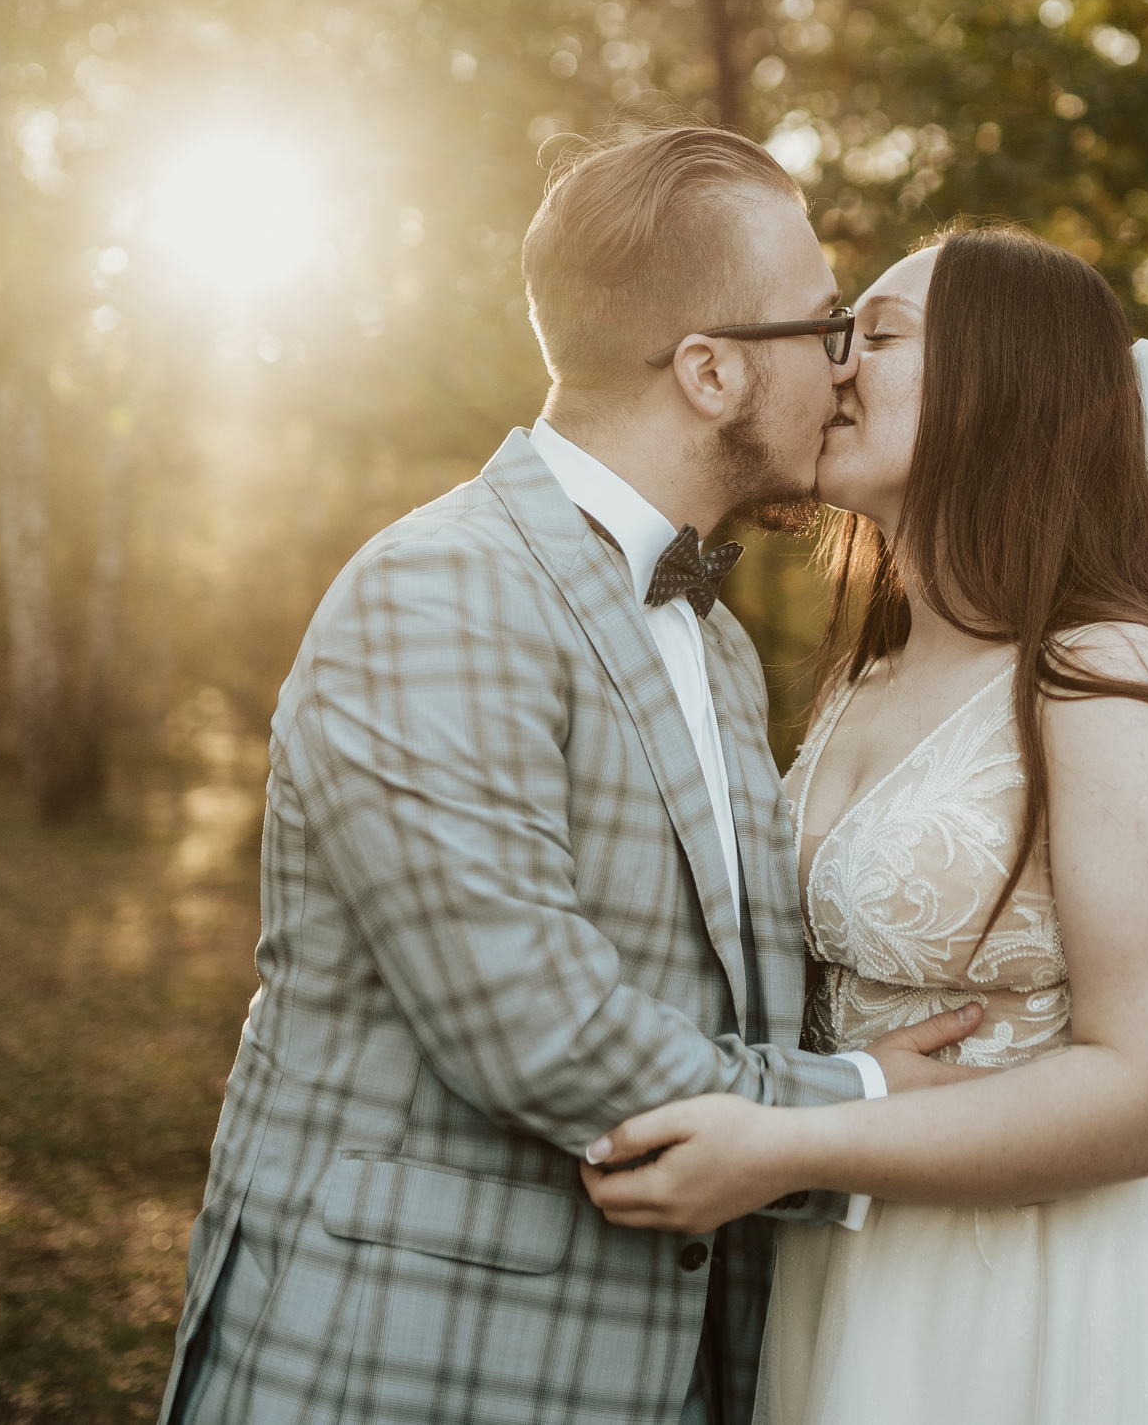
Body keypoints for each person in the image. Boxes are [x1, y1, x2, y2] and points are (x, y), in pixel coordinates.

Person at [158, 127, 989, 1425]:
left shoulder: (715, 643)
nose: (842, 365)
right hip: (404, 1365)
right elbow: (541, 1031)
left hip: (660, 1369)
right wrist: (869, 1103)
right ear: (710, 370)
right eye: (822, 325)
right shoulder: (441, 589)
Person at [581, 227, 1148, 1425]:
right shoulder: (866, 676)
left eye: (878, 338)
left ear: (1001, 386)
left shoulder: (1105, 676)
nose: (832, 367)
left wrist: (793, 1144)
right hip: (851, 1276)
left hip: (1045, 1305)